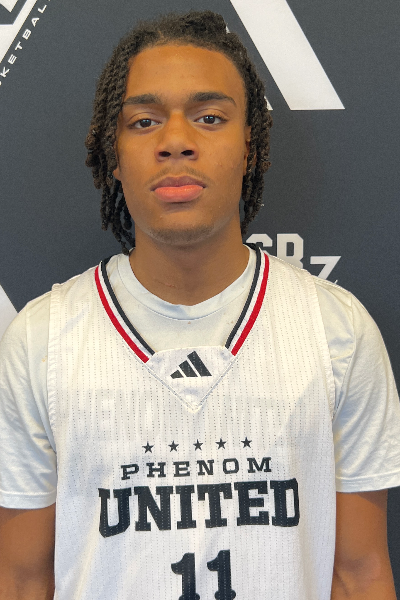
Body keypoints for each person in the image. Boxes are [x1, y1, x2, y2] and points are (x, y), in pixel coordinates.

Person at [0, 10, 399, 600]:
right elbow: (22, 578)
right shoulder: (43, 339)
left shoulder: (335, 331)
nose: (176, 141)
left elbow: (359, 573)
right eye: (144, 121)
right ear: (114, 155)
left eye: (210, 117)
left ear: (250, 147)